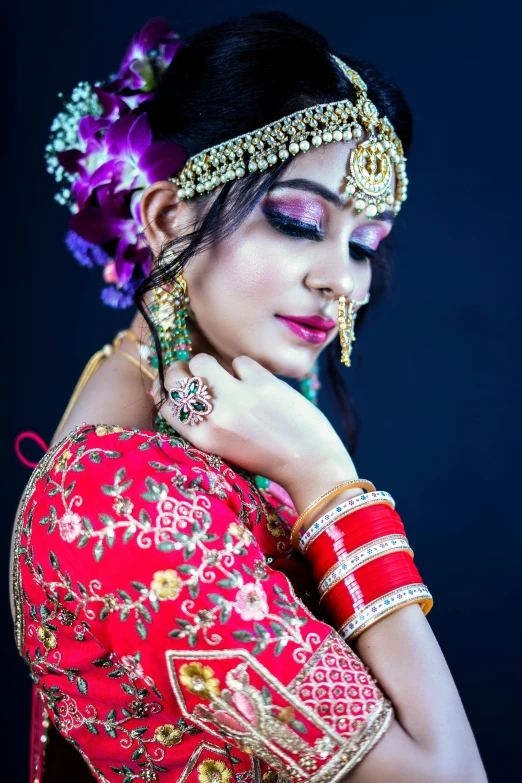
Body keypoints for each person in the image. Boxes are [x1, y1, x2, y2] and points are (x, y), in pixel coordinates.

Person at [10, 12, 487, 783]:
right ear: (167, 218)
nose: (344, 280)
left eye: (365, 243)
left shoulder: (218, 394)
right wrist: (325, 475)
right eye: (300, 222)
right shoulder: (119, 501)